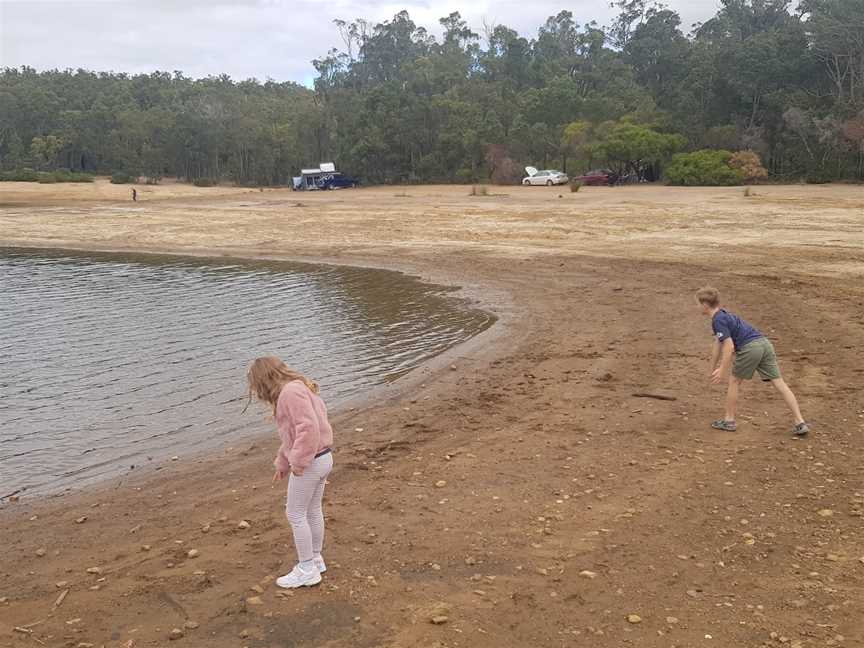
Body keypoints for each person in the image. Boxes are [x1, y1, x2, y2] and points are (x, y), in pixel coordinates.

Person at [244, 357, 334, 588]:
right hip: (322, 458)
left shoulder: (290, 393)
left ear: (263, 380)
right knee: (312, 510)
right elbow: (292, 436)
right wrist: (282, 463)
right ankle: (315, 559)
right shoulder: (298, 388)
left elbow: (307, 429)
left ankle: (306, 569)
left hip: (312, 461)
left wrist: (298, 462)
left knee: (295, 514)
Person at [696, 287, 810, 437]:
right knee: (779, 383)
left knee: (734, 381)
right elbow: (718, 343)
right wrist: (712, 367)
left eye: (697, 304)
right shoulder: (724, 315)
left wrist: (722, 370)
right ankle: (800, 422)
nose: (696, 307)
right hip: (764, 344)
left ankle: (729, 421)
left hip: (750, 348)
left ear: (705, 305)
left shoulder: (718, 320)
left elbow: (729, 346)